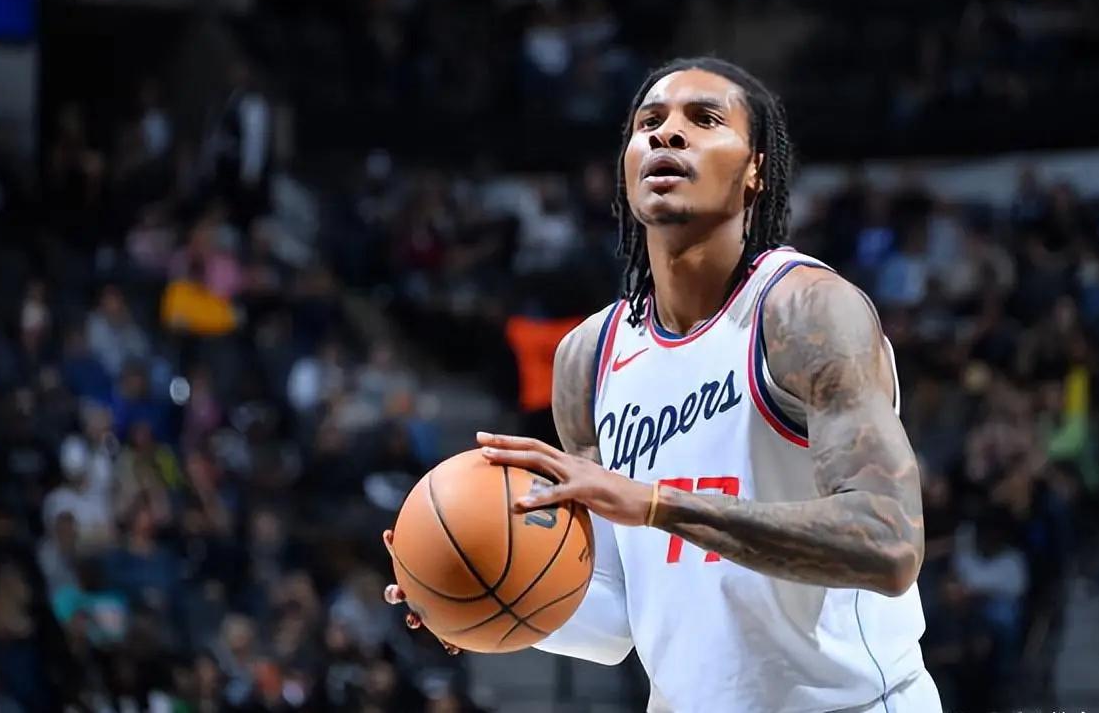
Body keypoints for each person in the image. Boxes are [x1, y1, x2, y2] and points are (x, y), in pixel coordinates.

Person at [385, 57, 941, 712]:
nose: (667, 133)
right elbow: (617, 615)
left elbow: (888, 542)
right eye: (649, 122)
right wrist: (469, 591)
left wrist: (656, 504)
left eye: (704, 119)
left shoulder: (804, 312)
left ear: (756, 169)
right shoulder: (588, 356)